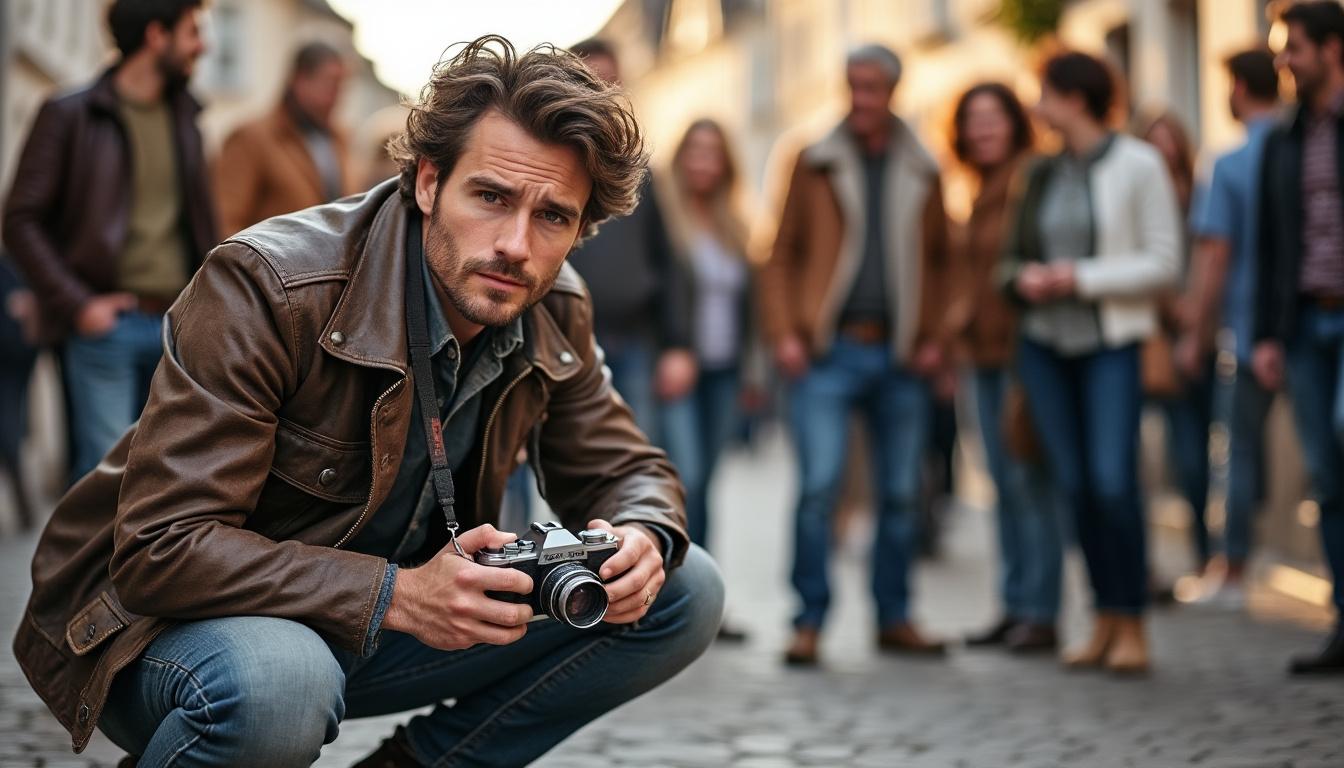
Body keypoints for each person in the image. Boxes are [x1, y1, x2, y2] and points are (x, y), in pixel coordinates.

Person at [13, 37, 724, 766]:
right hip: (167, 628)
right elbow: (163, 547)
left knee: (684, 586)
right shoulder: (267, 285)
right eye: (491, 196)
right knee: (282, 680)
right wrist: (397, 594)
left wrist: (642, 535)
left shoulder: (551, 303)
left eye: (552, 217)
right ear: (427, 182)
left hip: (384, 618)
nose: (516, 245)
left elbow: (622, 465)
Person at [759, 43, 953, 666]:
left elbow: (946, 260)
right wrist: (785, 333)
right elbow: (779, 252)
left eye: (872, 87)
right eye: (853, 86)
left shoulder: (923, 165)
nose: (861, 99)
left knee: (899, 495)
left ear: (893, 91)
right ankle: (807, 621)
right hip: (827, 353)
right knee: (819, 489)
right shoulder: (811, 159)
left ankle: (894, 616)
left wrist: (935, 338)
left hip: (900, 357)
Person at [1001, 51, 1180, 675]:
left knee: (1112, 484)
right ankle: (1104, 618)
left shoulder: (1139, 164)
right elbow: (1010, 256)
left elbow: (1165, 262)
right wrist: (1025, 278)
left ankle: (1132, 620)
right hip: (1045, 350)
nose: (1036, 106)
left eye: (1043, 92)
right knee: (1074, 488)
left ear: (1075, 98)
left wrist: (1078, 277)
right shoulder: (1041, 172)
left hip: (1111, 346)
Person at [2, 0, 216, 483]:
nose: (202, 46)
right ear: (156, 36)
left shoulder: (186, 119)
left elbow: (200, 226)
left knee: (164, 481)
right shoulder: (69, 115)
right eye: (192, 32)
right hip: (106, 328)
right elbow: (20, 220)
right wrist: (79, 305)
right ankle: (89, 564)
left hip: (175, 329)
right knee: (105, 486)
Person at [947, 83, 1062, 653]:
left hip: (1024, 355)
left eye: (994, 118)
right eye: (973, 119)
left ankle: (1041, 609)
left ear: (1016, 123)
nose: (983, 129)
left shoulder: (1032, 178)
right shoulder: (975, 187)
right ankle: (1015, 602)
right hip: (980, 357)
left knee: (1029, 482)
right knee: (1001, 483)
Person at [1254, 0, 1344, 676]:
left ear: (1332, 50)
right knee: (1328, 476)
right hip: (1306, 323)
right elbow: (1270, 244)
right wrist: (1265, 334)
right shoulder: (1284, 138)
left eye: (1293, 48)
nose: (1282, 61)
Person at [1181, 48, 1281, 609]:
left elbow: (1214, 255)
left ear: (1239, 87)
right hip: (1307, 324)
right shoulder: (1300, 147)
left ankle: (1234, 573)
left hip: (1245, 331)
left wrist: (1195, 332)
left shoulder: (1230, 162)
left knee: (1235, 453)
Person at [566, 38, 696, 442]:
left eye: (611, 82)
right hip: (566, 340)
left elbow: (668, 260)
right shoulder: (549, 165)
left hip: (636, 341)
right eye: (592, 81)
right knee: (573, 462)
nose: (602, 92)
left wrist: (678, 345)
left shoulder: (640, 173)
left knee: (634, 456)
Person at [658, 118, 756, 642]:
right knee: (684, 477)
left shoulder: (733, 224)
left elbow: (751, 306)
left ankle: (704, 601)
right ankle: (667, 596)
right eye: (694, 150)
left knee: (708, 485)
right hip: (678, 369)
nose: (702, 162)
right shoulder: (664, 217)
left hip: (724, 371)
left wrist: (752, 372)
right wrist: (672, 351)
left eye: (712, 153)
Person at [1141, 111, 1216, 582]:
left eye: (1171, 140)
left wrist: (1196, 321)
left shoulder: (1198, 194)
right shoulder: (1136, 195)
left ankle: (1205, 551)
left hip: (1192, 342)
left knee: (1192, 455)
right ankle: (1142, 565)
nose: (1165, 149)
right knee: (1139, 460)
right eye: (1155, 141)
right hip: (1146, 339)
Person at [214, 41, 356, 237]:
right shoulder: (251, 138)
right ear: (300, 80)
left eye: (342, 85)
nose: (338, 94)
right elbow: (226, 223)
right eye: (330, 83)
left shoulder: (340, 139)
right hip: (268, 265)